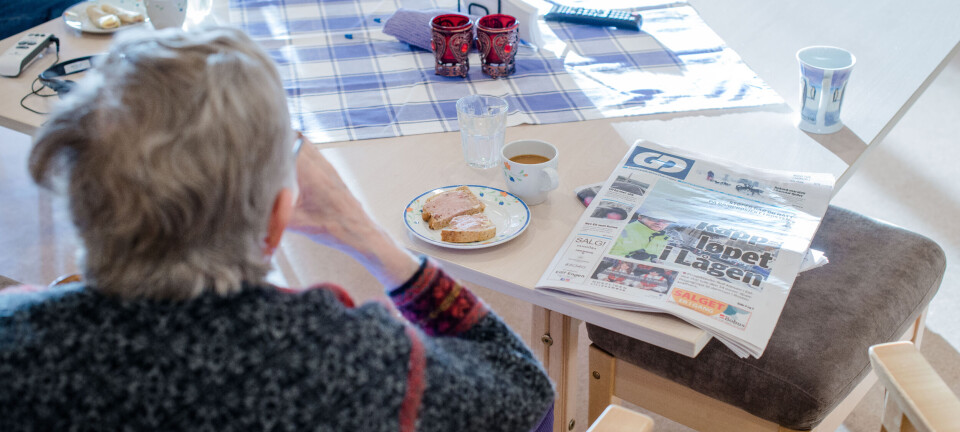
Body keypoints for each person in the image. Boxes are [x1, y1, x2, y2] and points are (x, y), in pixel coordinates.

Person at [0, 27, 553, 431]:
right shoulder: (351, 359)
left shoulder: (15, 340)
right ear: (273, 222)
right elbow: (526, 393)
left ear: (81, 200)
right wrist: (366, 237)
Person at [607, 211, 675, 262]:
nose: (660, 223)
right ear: (640, 217)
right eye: (654, 219)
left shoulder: (665, 238)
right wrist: (630, 258)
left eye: (666, 221)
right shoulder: (622, 231)